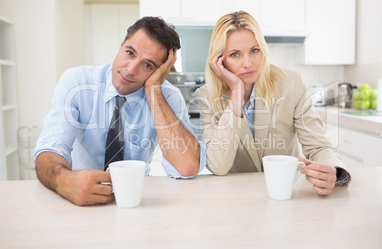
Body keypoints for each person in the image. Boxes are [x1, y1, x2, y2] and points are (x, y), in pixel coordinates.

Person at [34, 16, 207, 206]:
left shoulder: (167, 95)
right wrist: (64, 181)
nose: (131, 70)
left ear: (161, 71)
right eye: (130, 53)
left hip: (136, 199)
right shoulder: (77, 82)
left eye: (148, 65)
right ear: (121, 44)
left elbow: (186, 166)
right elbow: (49, 149)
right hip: (78, 197)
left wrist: (153, 90)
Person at [195, 11, 350, 195]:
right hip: (237, 198)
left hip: (286, 193)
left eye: (254, 50)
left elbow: (318, 145)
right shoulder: (206, 96)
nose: (248, 63)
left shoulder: (291, 82)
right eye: (235, 54)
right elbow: (218, 166)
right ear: (220, 60)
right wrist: (236, 93)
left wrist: (334, 171)